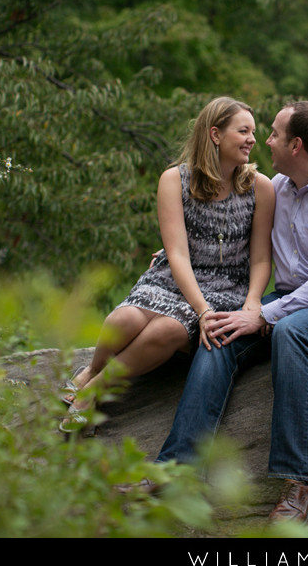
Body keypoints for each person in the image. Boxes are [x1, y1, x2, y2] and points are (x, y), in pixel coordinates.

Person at [155, 100, 308, 522]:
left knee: (291, 332)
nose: (264, 140)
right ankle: (177, 469)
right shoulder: (276, 187)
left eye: (273, 133)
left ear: (295, 145)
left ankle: (300, 481)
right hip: (291, 298)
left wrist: (263, 315)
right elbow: (239, 241)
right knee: (220, 329)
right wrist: (175, 254)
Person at [60, 97, 275, 433]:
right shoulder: (174, 180)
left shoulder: (260, 187)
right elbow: (177, 254)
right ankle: (90, 371)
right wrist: (201, 310)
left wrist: (252, 302)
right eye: (243, 131)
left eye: (254, 132)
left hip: (225, 285)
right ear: (215, 134)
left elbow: (262, 257)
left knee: (169, 329)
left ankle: (93, 392)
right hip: (174, 276)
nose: (252, 139)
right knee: (124, 318)